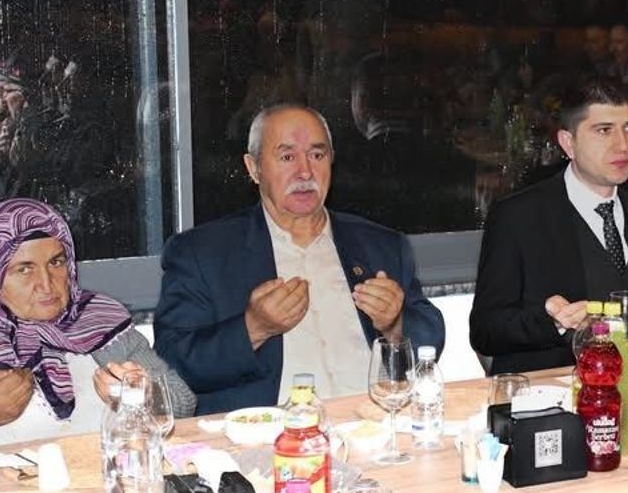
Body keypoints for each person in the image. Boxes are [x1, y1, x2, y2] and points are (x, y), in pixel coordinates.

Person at [154, 104, 443, 415]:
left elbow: (430, 339)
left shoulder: (381, 245)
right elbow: (171, 362)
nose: (305, 172)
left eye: (317, 155)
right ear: (253, 168)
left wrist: (394, 325)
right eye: (287, 157)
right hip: (268, 434)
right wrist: (253, 328)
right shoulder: (203, 253)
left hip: (372, 425)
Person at [470, 76, 628, 374]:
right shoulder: (518, 216)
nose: (623, 145)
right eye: (604, 130)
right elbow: (485, 331)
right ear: (568, 143)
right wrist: (553, 323)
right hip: (558, 388)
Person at [0, 198, 194, 454]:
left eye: (56, 262)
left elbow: (183, 402)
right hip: (4, 488)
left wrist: (144, 398)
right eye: (24, 269)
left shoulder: (99, 320)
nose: (47, 284)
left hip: (107, 478)